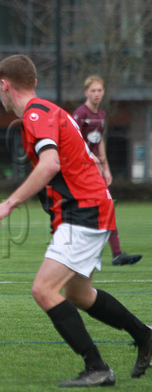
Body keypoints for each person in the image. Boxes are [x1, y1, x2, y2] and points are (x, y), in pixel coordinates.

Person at [0, 54, 152, 387]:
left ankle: (97, 368)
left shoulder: (35, 115)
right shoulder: (49, 111)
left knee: (44, 290)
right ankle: (145, 335)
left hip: (84, 210)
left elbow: (50, 165)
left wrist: (9, 203)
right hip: (88, 208)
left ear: (5, 85)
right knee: (79, 293)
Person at [73, 75, 142, 266]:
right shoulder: (80, 113)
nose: (96, 94)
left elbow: (99, 142)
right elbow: (73, 141)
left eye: (99, 91)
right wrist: (89, 157)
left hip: (96, 170)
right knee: (96, 210)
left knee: (106, 208)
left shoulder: (101, 114)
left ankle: (115, 254)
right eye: (93, 91)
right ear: (86, 92)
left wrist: (106, 168)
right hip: (82, 170)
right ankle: (92, 253)